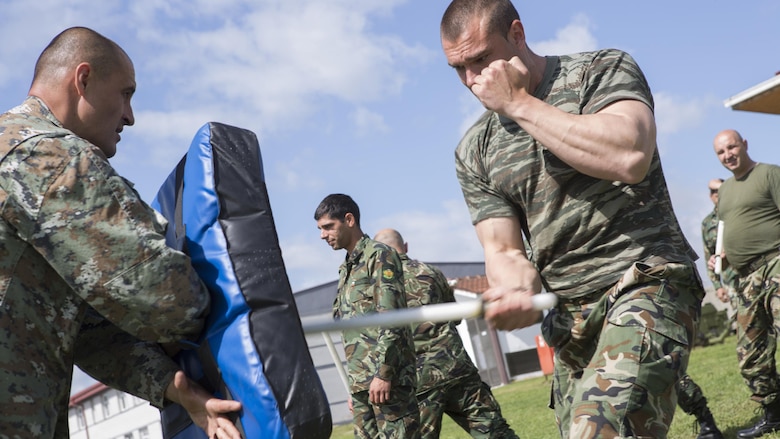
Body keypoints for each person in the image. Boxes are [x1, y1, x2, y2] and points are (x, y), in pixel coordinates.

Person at [440, 1, 706, 437]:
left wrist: (519, 104)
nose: (473, 80)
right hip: (568, 317)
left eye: (481, 59)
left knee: (597, 431)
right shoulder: (475, 150)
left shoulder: (600, 71)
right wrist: (515, 288)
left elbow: (630, 155)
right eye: (458, 68)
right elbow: (503, 249)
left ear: (517, 35)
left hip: (647, 281)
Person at [0, 27, 241, 438]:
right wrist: (230, 314)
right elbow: (157, 290)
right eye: (125, 93)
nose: (130, 115)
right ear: (83, 80)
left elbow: (88, 328)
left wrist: (174, 386)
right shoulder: (47, 156)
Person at [373, 228, 518, 439]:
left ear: (381, 253)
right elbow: (455, 316)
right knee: (495, 432)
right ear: (405, 247)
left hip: (419, 378)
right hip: (456, 366)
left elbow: (383, 335)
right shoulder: (431, 272)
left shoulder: (380, 285)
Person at [314, 194, 420, 438]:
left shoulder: (380, 256)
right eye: (320, 229)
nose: (322, 235)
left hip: (387, 383)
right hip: (362, 385)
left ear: (349, 219)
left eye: (328, 227)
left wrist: (383, 374)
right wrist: (356, 388)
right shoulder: (347, 267)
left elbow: (392, 319)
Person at [709, 129, 780, 438]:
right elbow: (729, 232)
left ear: (745, 144)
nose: (728, 155)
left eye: (732, 147)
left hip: (776, 265)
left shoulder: (769, 174)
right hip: (744, 279)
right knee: (750, 354)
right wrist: (721, 259)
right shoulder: (724, 192)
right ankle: (774, 413)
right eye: (721, 152)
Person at [701, 178, 740, 307]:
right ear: (710, 196)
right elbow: (709, 257)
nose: (716, 193)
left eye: (719, 190)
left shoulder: (741, 211)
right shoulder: (707, 224)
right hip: (732, 283)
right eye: (713, 191)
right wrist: (718, 286)